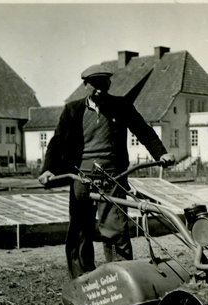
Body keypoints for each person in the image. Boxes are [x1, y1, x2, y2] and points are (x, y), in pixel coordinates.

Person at [38, 63, 175, 278]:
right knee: (80, 231)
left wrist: (161, 154)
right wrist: (48, 169)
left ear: (110, 83)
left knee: (116, 230)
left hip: (113, 177)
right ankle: (82, 279)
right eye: (95, 85)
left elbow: (143, 130)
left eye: (105, 83)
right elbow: (56, 142)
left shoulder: (122, 106)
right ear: (85, 85)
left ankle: (121, 278)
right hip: (81, 178)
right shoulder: (73, 110)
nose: (101, 89)